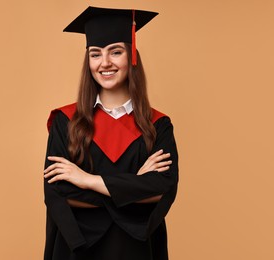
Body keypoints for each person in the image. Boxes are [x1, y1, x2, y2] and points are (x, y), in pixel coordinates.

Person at [43, 6, 179, 260]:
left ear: (132, 57)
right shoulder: (65, 122)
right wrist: (136, 187)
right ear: (89, 62)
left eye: (115, 52)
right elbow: (58, 193)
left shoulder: (157, 125)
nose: (105, 63)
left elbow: (163, 190)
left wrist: (87, 180)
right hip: (79, 249)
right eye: (95, 54)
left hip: (135, 249)